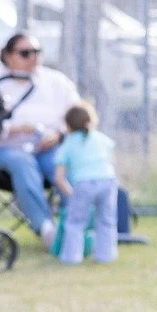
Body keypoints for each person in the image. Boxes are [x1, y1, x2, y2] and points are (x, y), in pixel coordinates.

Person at [0, 32, 82, 244]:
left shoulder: (56, 82)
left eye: (37, 52)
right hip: (4, 153)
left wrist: (58, 134)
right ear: (8, 56)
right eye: (25, 53)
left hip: (47, 148)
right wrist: (14, 129)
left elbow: (78, 116)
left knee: (61, 163)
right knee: (22, 161)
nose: (33, 58)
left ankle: (77, 228)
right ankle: (46, 229)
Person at [51, 101, 121, 265]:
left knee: (75, 222)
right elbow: (112, 162)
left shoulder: (68, 144)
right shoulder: (102, 139)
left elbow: (59, 177)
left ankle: (72, 257)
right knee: (106, 220)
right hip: (107, 181)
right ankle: (106, 255)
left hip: (83, 184)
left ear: (68, 126)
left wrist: (70, 192)